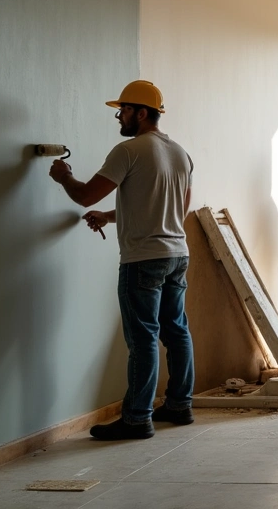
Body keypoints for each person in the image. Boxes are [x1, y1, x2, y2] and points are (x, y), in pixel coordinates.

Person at [48, 80, 195, 440]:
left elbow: (84, 195)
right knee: (176, 331)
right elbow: (172, 208)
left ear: (141, 112)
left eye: (124, 110)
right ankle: (179, 405)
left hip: (143, 259)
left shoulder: (128, 150)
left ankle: (136, 418)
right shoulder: (179, 153)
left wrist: (64, 178)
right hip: (177, 253)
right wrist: (111, 216)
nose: (120, 117)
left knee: (143, 337)